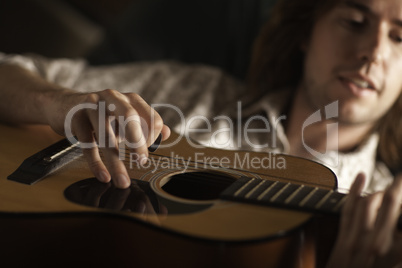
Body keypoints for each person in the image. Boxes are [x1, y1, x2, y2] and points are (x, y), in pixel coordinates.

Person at [0, 0, 402, 266]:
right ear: (305, 33)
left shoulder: (379, 218)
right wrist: (54, 102)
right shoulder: (196, 91)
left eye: (400, 36)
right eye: (354, 21)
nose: (373, 52)